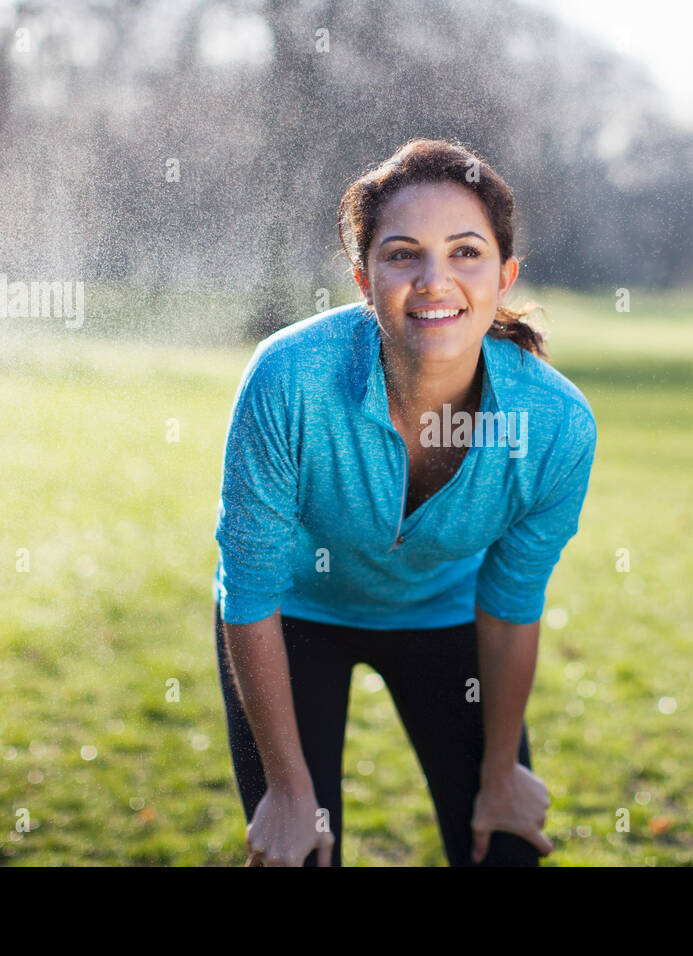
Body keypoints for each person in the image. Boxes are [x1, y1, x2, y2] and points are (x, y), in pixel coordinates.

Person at [211, 138, 597, 866]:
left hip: (444, 615)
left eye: (465, 253)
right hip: (291, 616)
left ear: (504, 275)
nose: (434, 280)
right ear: (362, 279)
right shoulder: (286, 379)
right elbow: (250, 584)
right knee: (299, 855)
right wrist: (291, 790)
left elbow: (512, 604)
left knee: (505, 848)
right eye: (401, 254)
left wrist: (499, 770)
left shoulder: (555, 426)